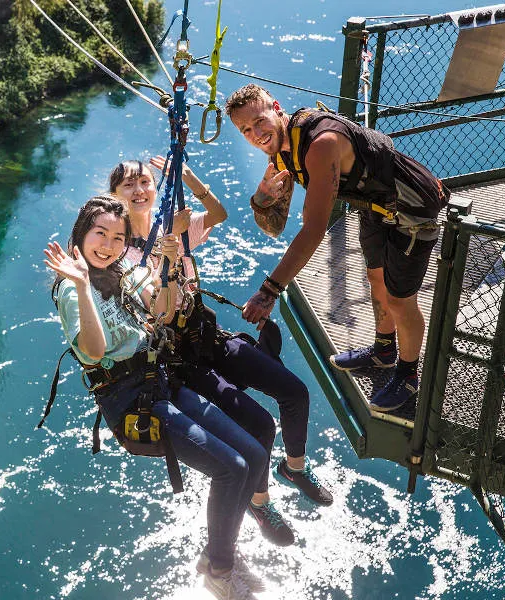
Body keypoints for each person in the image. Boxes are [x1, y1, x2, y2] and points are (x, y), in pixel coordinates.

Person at [46, 196, 265, 599]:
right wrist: (79, 283)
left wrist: (168, 266)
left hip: (158, 380)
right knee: (232, 469)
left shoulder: (123, 272)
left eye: (118, 237)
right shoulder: (71, 290)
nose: (108, 245)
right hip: (132, 402)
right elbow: (93, 352)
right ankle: (220, 570)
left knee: (252, 454)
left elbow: (163, 313)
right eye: (100, 234)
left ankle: (221, 554)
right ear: (81, 234)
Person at [108, 158, 332, 551]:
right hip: (183, 359)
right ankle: (260, 503)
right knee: (261, 427)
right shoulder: (122, 255)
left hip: (208, 337)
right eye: (129, 185)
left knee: (294, 392)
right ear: (115, 196)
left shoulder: (171, 225)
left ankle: (294, 467)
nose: (139, 190)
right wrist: (171, 250)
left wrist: (188, 178)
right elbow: (159, 312)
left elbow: (218, 214)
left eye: (144, 181)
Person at [224, 84, 449, 413]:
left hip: (411, 208)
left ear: (277, 108)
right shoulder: (280, 150)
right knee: (376, 280)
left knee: (400, 300)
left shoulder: (321, 144)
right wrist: (261, 199)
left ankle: (408, 374)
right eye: (246, 130)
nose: (256, 134)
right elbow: (274, 227)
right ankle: (384, 350)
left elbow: (314, 229)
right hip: (374, 206)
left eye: (259, 121)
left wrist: (269, 291)